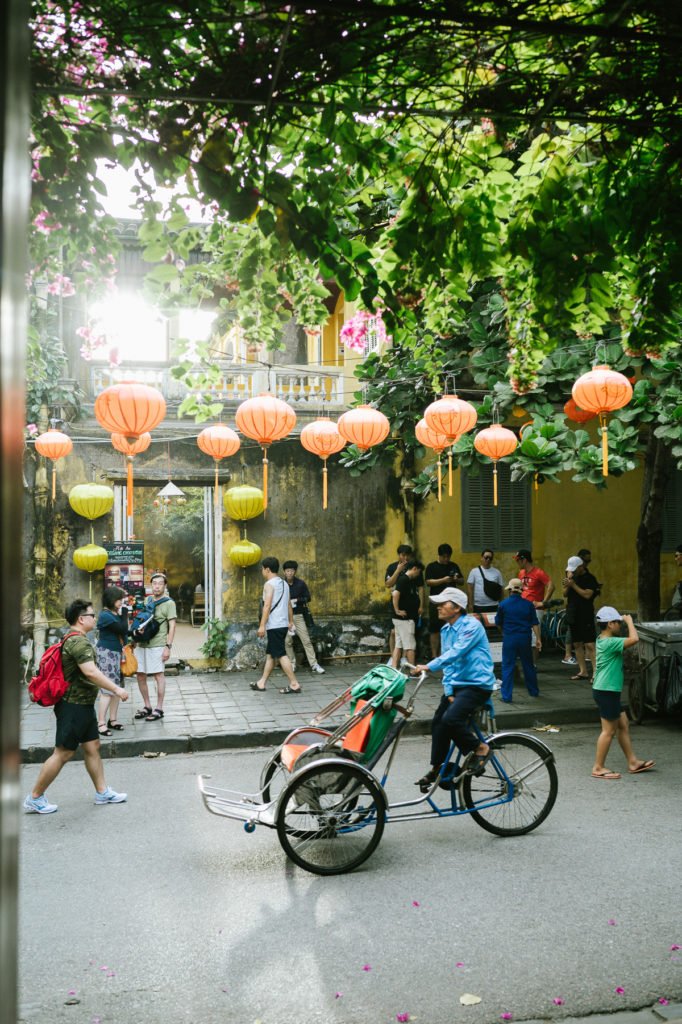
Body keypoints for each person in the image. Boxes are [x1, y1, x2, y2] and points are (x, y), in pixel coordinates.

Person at [23, 598, 129, 813]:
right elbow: (91, 672)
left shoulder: (72, 638)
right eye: (92, 615)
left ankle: (102, 792)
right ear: (81, 619)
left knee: (92, 746)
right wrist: (117, 689)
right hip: (73, 706)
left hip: (82, 705)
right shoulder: (79, 643)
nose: (95, 618)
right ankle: (35, 797)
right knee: (63, 753)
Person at [412, 587, 496, 792]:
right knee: (438, 723)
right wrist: (449, 691)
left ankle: (481, 748)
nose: (439, 607)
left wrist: (428, 666)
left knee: (452, 719)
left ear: (457, 607)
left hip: (476, 685)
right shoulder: (446, 630)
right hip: (458, 685)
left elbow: (455, 653)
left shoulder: (471, 626)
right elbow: (449, 665)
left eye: (444, 604)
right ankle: (438, 767)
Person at [591, 606, 655, 779]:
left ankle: (632, 761)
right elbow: (634, 639)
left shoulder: (603, 639)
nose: (620, 625)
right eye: (618, 622)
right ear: (610, 624)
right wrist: (630, 621)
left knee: (623, 724)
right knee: (608, 731)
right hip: (606, 690)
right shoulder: (609, 642)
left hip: (607, 690)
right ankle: (598, 767)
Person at [251, 556, 301, 694]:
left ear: (267, 569)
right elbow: (289, 604)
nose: (262, 571)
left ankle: (294, 684)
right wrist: (290, 621)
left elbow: (267, 606)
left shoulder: (269, 584)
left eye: (262, 569)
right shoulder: (284, 583)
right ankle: (261, 683)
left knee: (280, 654)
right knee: (271, 654)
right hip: (283, 624)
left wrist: (262, 625)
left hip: (274, 625)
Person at [133, 572, 177, 722]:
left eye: (160, 583)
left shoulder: (169, 603)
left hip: (158, 644)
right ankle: (147, 706)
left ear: (165, 586)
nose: (157, 586)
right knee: (140, 674)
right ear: (151, 585)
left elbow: (172, 626)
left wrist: (168, 646)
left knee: (158, 675)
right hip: (142, 643)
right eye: (154, 583)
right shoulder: (148, 600)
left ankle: (159, 708)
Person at [495, 579, 541, 702]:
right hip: (525, 638)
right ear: (521, 590)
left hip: (509, 638)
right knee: (528, 665)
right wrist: (538, 639)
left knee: (508, 666)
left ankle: (507, 696)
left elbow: (498, 622)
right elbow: (535, 623)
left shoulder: (503, 604)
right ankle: (533, 691)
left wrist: (503, 632)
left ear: (510, 590)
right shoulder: (528, 604)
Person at [96, 585, 130, 735]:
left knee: (117, 688)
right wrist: (125, 613)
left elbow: (124, 632)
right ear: (111, 600)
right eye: (119, 599)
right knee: (107, 689)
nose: (121, 602)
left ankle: (113, 720)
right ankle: (101, 723)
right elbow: (122, 628)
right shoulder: (105, 615)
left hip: (116, 653)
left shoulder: (113, 614)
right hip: (107, 653)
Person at [283, 560, 325, 674]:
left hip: (298, 616)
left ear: (295, 572)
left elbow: (308, 597)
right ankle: (292, 663)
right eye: (287, 571)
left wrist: (297, 600)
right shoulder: (281, 584)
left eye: (292, 571)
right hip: (285, 617)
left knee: (306, 640)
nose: (290, 573)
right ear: (284, 572)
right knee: (287, 641)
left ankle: (314, 664)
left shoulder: (300, 584)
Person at [563, 556, 599, 681]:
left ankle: (596, 673)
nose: (572, 571)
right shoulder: (571, 577)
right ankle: (583, 671)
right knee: (577, 643)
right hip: (573, 613)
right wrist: (569, 582)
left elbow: (587, 595)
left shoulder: (590, 578)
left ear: (581, 566)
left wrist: (573, 585)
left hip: (585, 613)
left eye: (574, 569)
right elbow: (564, 594)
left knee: (590, 644)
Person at [424, 544, 464, 657]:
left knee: (451, 628)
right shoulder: (431, 566)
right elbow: (428, 582)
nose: (446, 559)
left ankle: (447, 654)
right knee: (434, 629)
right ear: (439, 555)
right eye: (444, 557)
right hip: (436, 602)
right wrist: (443, 580)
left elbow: (462, 581)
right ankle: (434, 655)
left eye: (448, 557)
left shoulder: (453, 566)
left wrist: (456, 579)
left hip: (451, 602)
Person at [391, 559, 424, 668]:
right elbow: (395, 594)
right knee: (410, 646)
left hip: (402, 618)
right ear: (414, 569)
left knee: (398, 644)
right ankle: (412, 670)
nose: (418, 574)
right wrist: (397, 610)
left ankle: (394, 667)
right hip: (404, 618)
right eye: (418, 572)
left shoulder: (409, 580)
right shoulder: (404, 579)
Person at [466, 548, 504, 615]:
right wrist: (470, 605)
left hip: (494, 606)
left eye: (490, 558)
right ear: (481, 558)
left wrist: (501, 605)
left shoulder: (497, 572)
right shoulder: (474, 572)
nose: (488, 560)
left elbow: (501, 590)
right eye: (486, 557)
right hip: (478, 606)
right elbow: (470, 589)